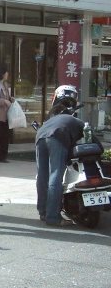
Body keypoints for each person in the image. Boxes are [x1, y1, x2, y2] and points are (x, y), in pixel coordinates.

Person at [35, 85, 92, 227]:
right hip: (57, 138)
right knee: (56, 175)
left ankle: (43, 212)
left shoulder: (51, 119)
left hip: (40, 136)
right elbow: (91, 140)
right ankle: (53, 217)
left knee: (42, 175)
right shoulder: (78, 122)